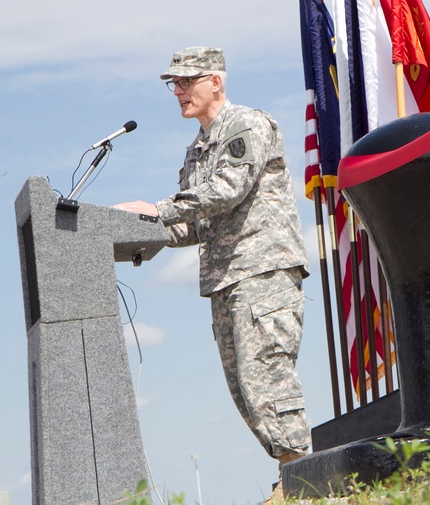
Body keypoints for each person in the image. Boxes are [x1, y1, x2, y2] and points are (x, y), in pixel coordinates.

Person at [114, 46, 311, 496]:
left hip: (263, 270)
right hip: (225, 279)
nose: (178, 91)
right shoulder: (197, 150)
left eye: (186, 81)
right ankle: (293, 475)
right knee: (244, 389)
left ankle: (304, 481)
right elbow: (196, 225)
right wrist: (134, 234)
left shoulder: (245, 125)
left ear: (215, 81)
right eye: (174, 84)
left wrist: (156, 210)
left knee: (267, 377)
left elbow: (228, 189)